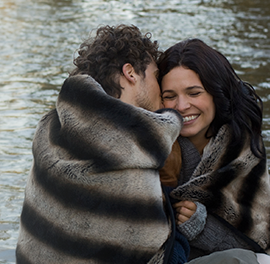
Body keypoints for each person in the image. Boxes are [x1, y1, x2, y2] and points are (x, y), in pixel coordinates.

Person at [16, 24, 187, 264]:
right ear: (131, 73)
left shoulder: (51, 130)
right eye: (156, 76)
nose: (160, 89)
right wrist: (177, 215)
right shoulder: (133, 157)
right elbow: (168, 258)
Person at [158, 38, 270, 263]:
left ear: (216, 93)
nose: (181, 106)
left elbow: (261, 239)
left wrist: (201, 228)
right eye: (170, 96)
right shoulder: (156, 150)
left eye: (194, 93)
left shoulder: (242, 145)